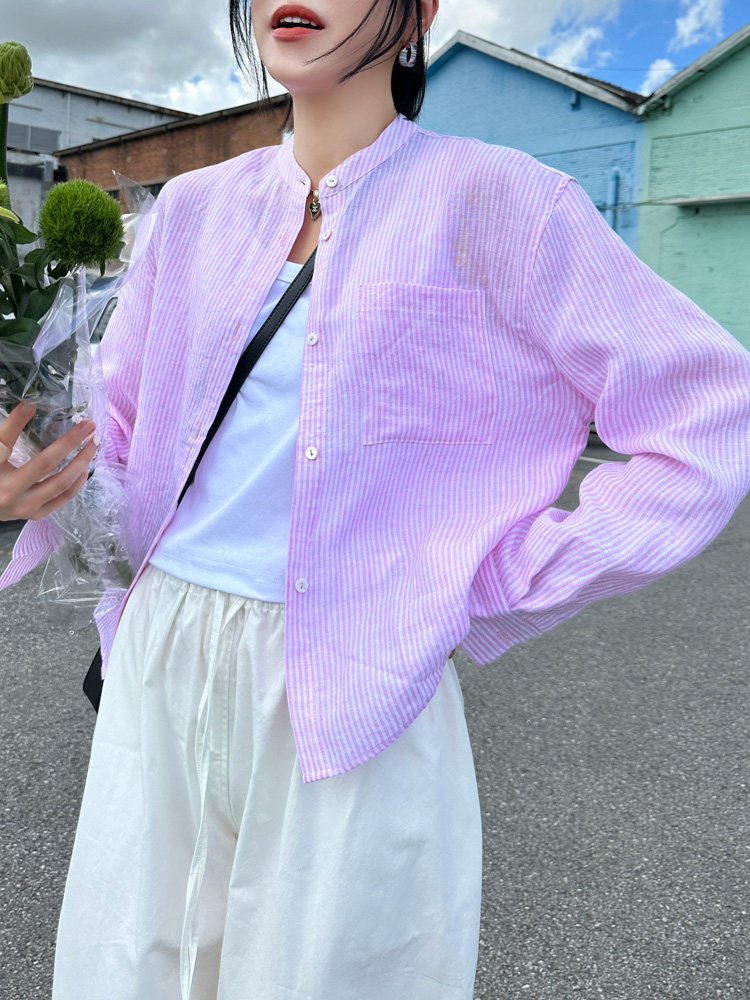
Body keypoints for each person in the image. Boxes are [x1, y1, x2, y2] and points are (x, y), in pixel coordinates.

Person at [1, 1, 749, 998]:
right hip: (160, 655)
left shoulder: (506, 204)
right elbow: (122, 438)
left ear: (420, 10)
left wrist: (487, 580)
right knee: (129, 964)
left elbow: (708, 418)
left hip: (358, 682)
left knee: (326, 971)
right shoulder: (190, 212)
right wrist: (40, 480)